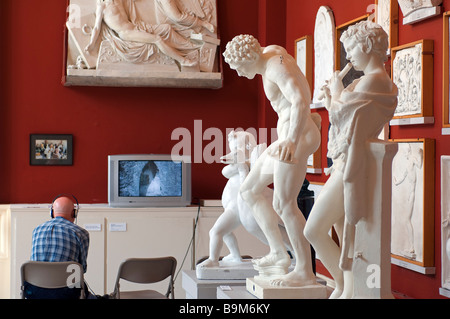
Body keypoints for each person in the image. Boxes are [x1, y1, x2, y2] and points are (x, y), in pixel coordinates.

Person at [303, 20, 398, 299]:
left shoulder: (375, 81)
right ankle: (346, 287)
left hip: (351, 168)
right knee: (345, 236)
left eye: (352, 48)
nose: (349, 56)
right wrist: (335, 95)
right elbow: (344, 115)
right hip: (347, 163)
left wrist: (335, 92)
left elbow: (344, 116)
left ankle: (348, 287)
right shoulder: (367, 81)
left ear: (368, 46)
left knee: (314, 229)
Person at [223, 35, 321, 287]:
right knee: (249, 191)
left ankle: (304, 270)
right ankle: (278, 252)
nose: (239, 73)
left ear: (250, 58)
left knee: (284, 203)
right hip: (289, 135)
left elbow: (300, 100)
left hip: (297, 135)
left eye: (238, 68)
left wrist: (291, 140)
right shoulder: (269, 56)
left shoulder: (276, 65)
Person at [85, 0, 198, 67]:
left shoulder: (118, 1)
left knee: (166, 28)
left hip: (135, 26)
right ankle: (183, 61)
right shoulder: (101, 6)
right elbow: (96, 28)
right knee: (157, 39)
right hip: (126, 33)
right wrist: (91, 44)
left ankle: (190, 47)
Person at [24, 195, 90, 299]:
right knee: (83, 289)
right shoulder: (81, 233)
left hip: (35, 291)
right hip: (67, 292)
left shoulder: (37, 230)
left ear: (52, 212)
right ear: (74, 213)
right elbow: (82, 269)